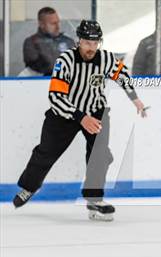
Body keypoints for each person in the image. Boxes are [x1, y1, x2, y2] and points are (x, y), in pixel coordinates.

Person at [13, 20, 148, 221]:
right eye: (87, 42)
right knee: (46, 152)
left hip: (95, 111)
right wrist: (80, 117)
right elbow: (56, 97)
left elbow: (122, 75)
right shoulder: (65, 60)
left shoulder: (105, 59)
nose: (91, 47)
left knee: (99, 155)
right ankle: (29, 187)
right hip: (64, 114)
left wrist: (134, 98)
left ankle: (94, 199)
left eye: (95, 43)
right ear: (79, 41)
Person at [21, 7, 75, 76]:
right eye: (53, 23)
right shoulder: (32, 42)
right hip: (42, 84)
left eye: (58, 22)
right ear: (42, 24)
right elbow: (39, 67)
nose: (58, 26)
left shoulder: (68, 41)